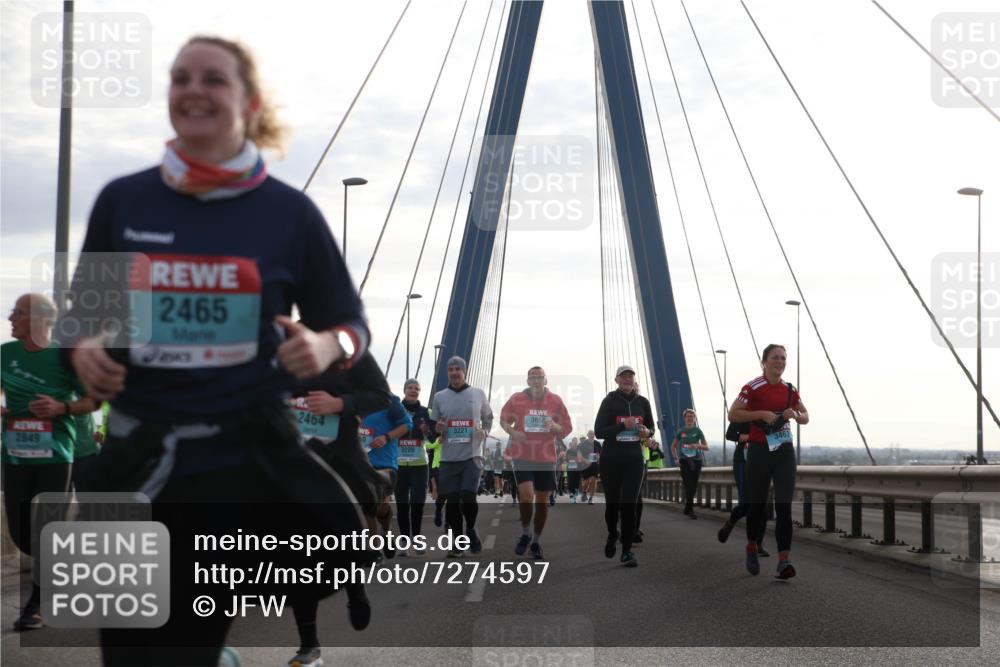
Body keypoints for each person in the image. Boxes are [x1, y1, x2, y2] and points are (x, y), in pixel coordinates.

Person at [60, 35, 372, 665]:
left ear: (249, 100)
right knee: (125, 654)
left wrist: (324, 342)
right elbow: (82, 322)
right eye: (180, 78)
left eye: (212, 79)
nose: (193, 90)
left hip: (232, 460)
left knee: (183, 643)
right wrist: (85, 345)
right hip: (132, 460)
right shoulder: (124, 201)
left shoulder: (289, 215)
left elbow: (349, 324)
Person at [290, 350, 391, 665]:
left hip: (341, 453)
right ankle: (309, 644)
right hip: (294, 453)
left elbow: (381, 396)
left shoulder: (348, 354)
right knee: (296, 549)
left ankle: (355, 588)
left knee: (351, 531)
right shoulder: (277, 347)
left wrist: (340, 404)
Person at [2, 293, 97, 631]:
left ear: (41, 319)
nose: (11, 317)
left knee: (47, 529)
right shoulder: (5, 353)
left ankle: (37, 606)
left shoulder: (65, 357)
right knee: (21, 534)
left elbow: (93, 400)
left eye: (18, 312)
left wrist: (62, 408)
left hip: (57, 454)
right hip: (14, 455)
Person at [729, 344, 809, 579]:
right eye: (775, 357)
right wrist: (761, 414)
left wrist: (795, 414)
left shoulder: (790, 389)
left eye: (783, 358)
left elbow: (806, 416)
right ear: (764, 361)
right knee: (758, 506)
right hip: (759, 452)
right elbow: (733, 414)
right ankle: (752, 546)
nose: (780, 362)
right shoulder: (752, 387)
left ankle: (784, 560)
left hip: (784, 452)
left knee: (784, 506)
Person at [499, 366, 573, 560]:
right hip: (522, 454)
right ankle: (525, 533)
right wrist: (514, 432)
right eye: (532, 377)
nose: (536, 380)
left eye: (539, 377)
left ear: (545, 380)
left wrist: (556, 427)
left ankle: (536, 541)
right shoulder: (517, 398)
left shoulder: (556, 400)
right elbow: (503, 420)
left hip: (546, 457)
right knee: (525, 495)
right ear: (527, 381)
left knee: (542, 503)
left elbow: (567, 426)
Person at [432, 356, 493, 557]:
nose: (454, 372)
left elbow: (488, 417)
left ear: (464, 372)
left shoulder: (478, 394)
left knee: (468, 497)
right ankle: (457, 544)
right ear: (447, 373)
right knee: (452, 503)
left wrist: (484, 430)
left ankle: (471, 529)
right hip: (449, 458)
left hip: (472, 456)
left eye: (458, 369)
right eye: (451, 369)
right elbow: (434, 428)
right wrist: (437, 428)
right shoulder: (439, 396)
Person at [594, 365, 654, 568]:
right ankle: (612, 535)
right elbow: (599, 431)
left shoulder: (643, 402)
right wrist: (622, 425)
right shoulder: (609, 401)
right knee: (613, 506)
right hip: (611, 460)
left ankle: (627, 550)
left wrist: (647, 431)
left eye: (630, 376)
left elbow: (652, 428)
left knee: (629, 505)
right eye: (624, 377)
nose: (627, 380)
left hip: (634, 460)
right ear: (617, 380)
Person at [361, 394, 412, 558]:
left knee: (381, 507)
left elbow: (407, 425)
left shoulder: (389, 400)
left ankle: (386, 531)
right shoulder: (345, 399)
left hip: (385, 464)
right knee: (368, 505)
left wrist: (386, 437)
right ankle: (374, 549)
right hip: (359, 463)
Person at [717, 421, 769, 557]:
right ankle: (730, 523)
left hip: (761, 462)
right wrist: (750, 436)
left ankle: (758, 544)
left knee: (761, 506)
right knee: (746, 504)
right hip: (742, 462)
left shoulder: (766, 413)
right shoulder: (741, 412)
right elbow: (729, 435)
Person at [398, 378, 433, 555]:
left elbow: (433, 439)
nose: (413, 390)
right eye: (410, 388)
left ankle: (417, 539)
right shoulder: (396, 410)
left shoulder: (426, 412)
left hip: (420, 464)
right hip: (399, 464)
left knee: (417, 503)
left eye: (417, 388)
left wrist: (428, 433)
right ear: (404, 390)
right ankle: (404, 541)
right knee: (402, 504)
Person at [670, 409, 708, 519]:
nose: (690, 418)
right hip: (684, 461)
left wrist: (698, 446)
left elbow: (707, 447)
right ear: (685, 419)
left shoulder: (698, 431)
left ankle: (687, 507)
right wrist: (676, 459)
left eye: (692, 416)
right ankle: (690, 510)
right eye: (688, 417)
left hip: (696, 461)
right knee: (689, 485)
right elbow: (673, 446)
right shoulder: (680, 431)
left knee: (694, 485)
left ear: (694, 419)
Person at [578, 430, 601, 504]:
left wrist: (598, 458)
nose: (592, 435)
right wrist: (585, 460)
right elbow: (579, 454)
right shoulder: (583, 444)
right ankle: (584, 492)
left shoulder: (597, 443)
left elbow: (600, 453)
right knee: (586, 481)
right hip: (586, 465)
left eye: (593, 433)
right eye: (590, 433)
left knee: (594, 481)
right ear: (587, 435)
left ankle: (591, 498)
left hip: (595, 465)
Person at [566, 437, 582, 502]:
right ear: (572, 442)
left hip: (578, 467)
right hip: (571, 467)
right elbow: (566, 459)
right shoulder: (569, 450)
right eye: (574, 441)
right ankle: (572, 494)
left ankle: (575, 492)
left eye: (576, 441)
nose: (575, 442)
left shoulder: (579, 449)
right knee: (571, 480)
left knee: (577, 481)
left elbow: (580, 458)